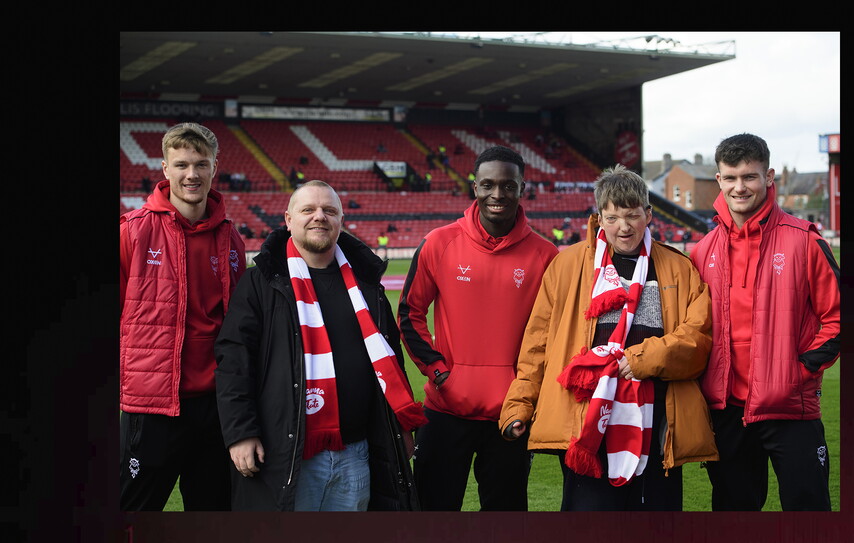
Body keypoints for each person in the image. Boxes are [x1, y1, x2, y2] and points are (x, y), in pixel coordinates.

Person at [499, 164, 717, 511]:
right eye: (613, 217)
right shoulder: (567, 265)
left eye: (633, 216)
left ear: (649, 214)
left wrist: (642, 360)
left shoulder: (678, 267)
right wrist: (519, 404)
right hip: (585, 420)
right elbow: (538, 344)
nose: (624, 227)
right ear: (599, 217)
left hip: (657, 422)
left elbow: (698, 340)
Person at [214, 181, 427, 511]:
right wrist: (241, 432)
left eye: (329, 210)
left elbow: (391, 361)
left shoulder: (368, 285)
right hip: (287, 454)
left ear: (341, 220)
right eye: (308, 210)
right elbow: (234, 362)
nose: (320, 217)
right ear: (287, 219)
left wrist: (399, 427)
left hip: (357, 453)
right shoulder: (260, 284)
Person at [397, 145, 558, 511]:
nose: (497, 195)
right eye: (488, 185)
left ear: (521, 188)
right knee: (433, 514)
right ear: (474, 187)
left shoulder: (546, 255)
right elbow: (409, 314)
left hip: (511, 412)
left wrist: (527, 388)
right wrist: (439, 373)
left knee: (504, 518)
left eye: (507, 185)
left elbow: (555, 333)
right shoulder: (439, 242)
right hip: (445, 408)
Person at [689, 133, 840, 511]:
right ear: (719, 180)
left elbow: (837, 317)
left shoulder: (804, 240)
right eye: (731, 177)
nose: (740, 187)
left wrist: (799, 370)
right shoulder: (702, 250)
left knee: (808, 510)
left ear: (768, 176)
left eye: (750, 176)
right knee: (733, 511)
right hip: (726, 413)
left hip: (791, 407)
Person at [119, 122, 246, 511]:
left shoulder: (231, 238)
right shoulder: (132, 233)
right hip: (154, 405)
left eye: (200, 164)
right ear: (164, 168)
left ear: (214, 168)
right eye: (181, 164)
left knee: (212, 517)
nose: (191, 174)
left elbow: (240, 321)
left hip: (216, 407)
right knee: (133, 514)